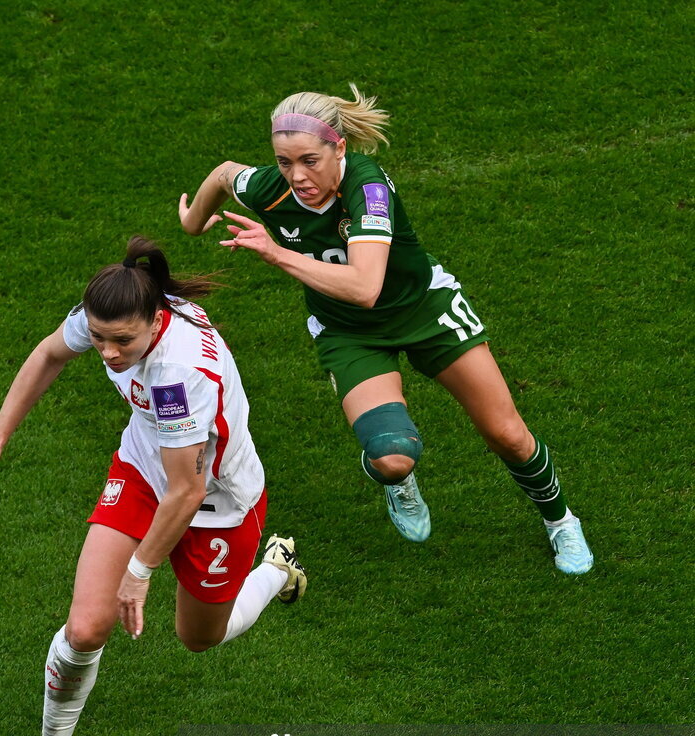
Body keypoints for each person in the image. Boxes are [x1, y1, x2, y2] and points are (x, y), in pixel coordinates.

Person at [0, 237, 307, 736]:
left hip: (219, 500)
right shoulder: (117, 311)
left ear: (156, 322)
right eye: (99, 338)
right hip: (145, 470)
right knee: (87, 627)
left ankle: (273, 569)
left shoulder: (177, 373)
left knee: (200, 638)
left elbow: (188, 490)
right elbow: (47, 355)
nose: (109, 353)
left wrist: (141, 571)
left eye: (123, 341)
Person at [178, 85, 593, 575]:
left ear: (341, 149)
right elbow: (226, 176)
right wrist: (192, 220)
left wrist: (277, 253)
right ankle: (396, 481)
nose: (297, 176)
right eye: (284, 162)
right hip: (348, 332)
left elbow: (365, 286)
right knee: (393, 456)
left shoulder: (368, 189)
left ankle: (561, 520)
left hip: (424, 312)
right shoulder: (271, 187)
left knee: (508, 435)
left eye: (310, 160)